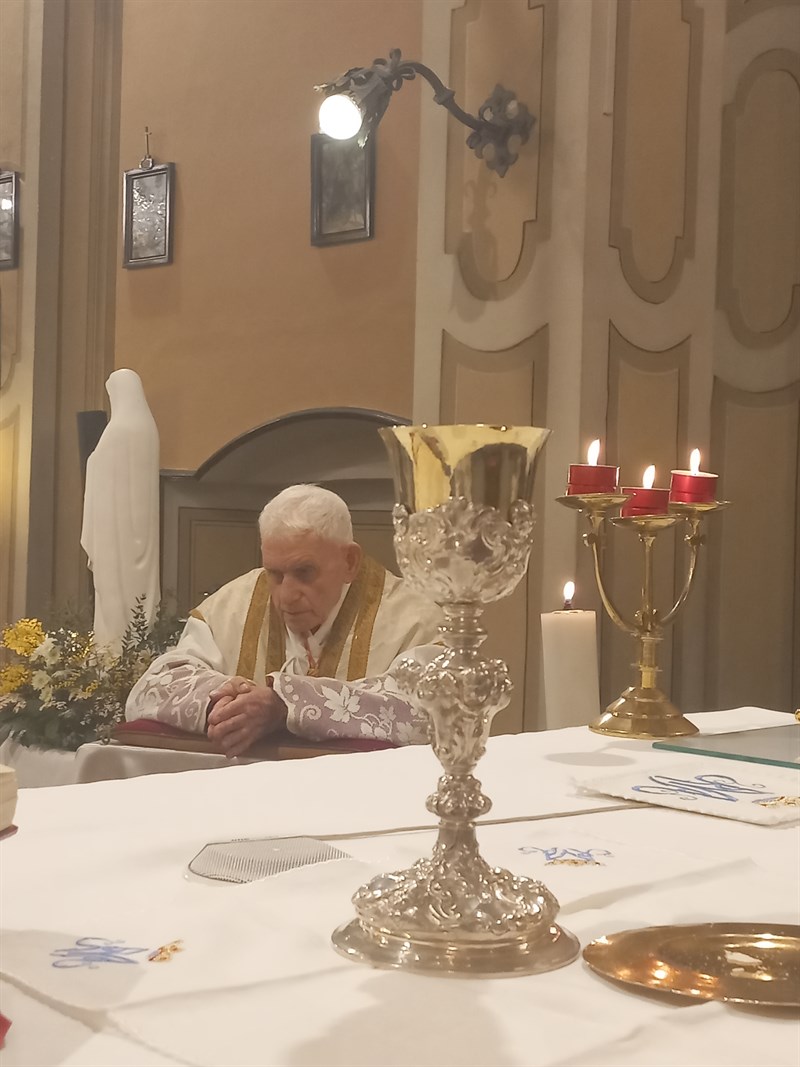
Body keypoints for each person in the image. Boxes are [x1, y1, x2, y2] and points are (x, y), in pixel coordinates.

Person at [125, 485, 442, 756]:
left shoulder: (417, 621)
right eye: (274, 574)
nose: (286, 595)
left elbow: (424, 712)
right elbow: (149, 691)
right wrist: (223, 702)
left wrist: (286, 704)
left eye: (304, 573)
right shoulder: (231, 606)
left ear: (349, 561)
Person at [80, 369, 161, 652]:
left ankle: (112, 650)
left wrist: (91, 459)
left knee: (113, 589)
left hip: (114, 527)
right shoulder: (148, 429)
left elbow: (98, 464)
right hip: (140, 531)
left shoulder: (117, 430)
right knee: (136, 595)